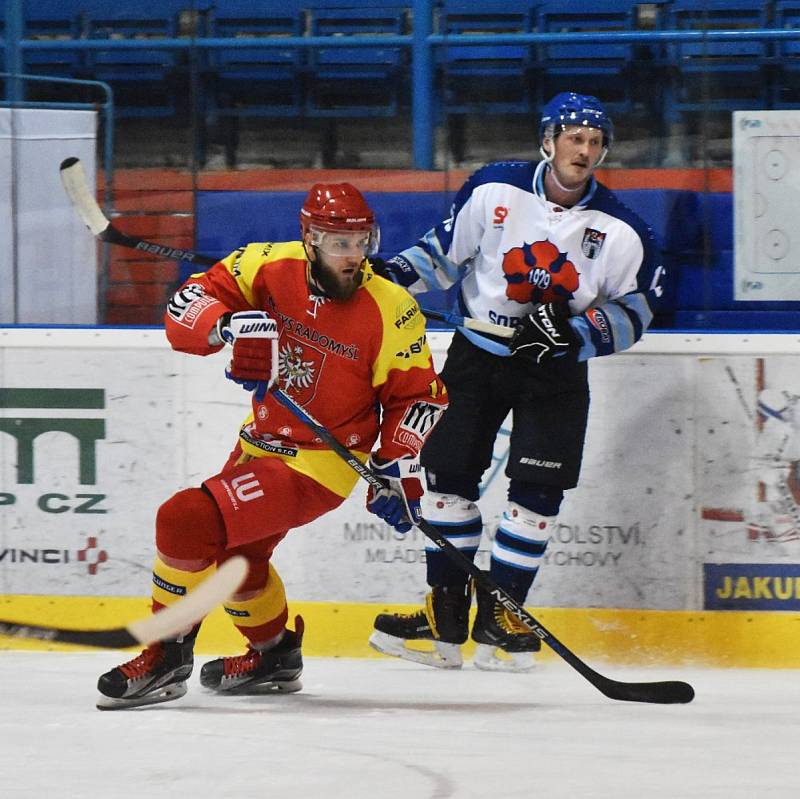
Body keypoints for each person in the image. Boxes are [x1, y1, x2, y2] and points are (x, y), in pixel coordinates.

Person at [96, 183, 448, 709]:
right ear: (308, 238)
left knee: (186, 519)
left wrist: (398, 466)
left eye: (361, 243)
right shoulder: (266, 265)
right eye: (338, 244)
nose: (353, 258)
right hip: (259, 442)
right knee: (239, 558)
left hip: (322, 463)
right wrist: (225, 325)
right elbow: (189, 303)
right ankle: (274, 653)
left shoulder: (390, 309)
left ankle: (165, 651)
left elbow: (420, 397)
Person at [368, 92, 665, 671]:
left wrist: (573, 335)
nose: (584, 150)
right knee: (447, 479)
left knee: (537, 493)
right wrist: (395, 271)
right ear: (548, 140)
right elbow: (444, 254)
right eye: (574, 137)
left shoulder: (623, 229)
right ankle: (445, 618)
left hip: (553, 373)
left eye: (595, 141)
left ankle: (503, 619)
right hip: (477, 358)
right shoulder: (494, 188)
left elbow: (638, 310)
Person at [747, 389, 800, 542]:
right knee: (786, 492)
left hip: (787, 464)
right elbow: (758, 464)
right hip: (775, 468)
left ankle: (761, 520)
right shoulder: (775, 429)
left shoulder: (790, 415)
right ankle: (772, 526)